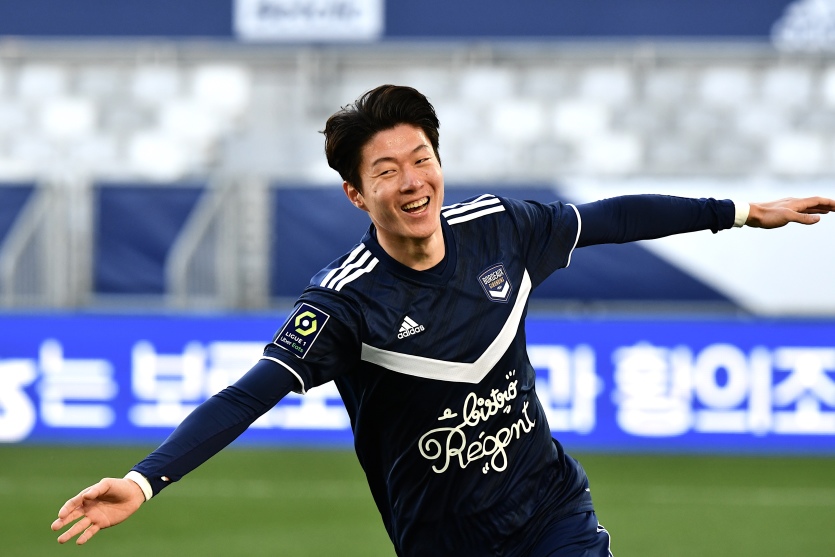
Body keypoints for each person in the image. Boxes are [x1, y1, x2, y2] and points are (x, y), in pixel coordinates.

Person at [52, 84, 835, 556]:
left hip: (551, 511)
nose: (411, 180)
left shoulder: (500, 228)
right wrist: (144, 479)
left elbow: (610, 218)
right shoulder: (344, 303)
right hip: (440, 540)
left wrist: (740, 211)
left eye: (420, 157)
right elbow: (247, 394)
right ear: (356, 194)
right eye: (385, 170)